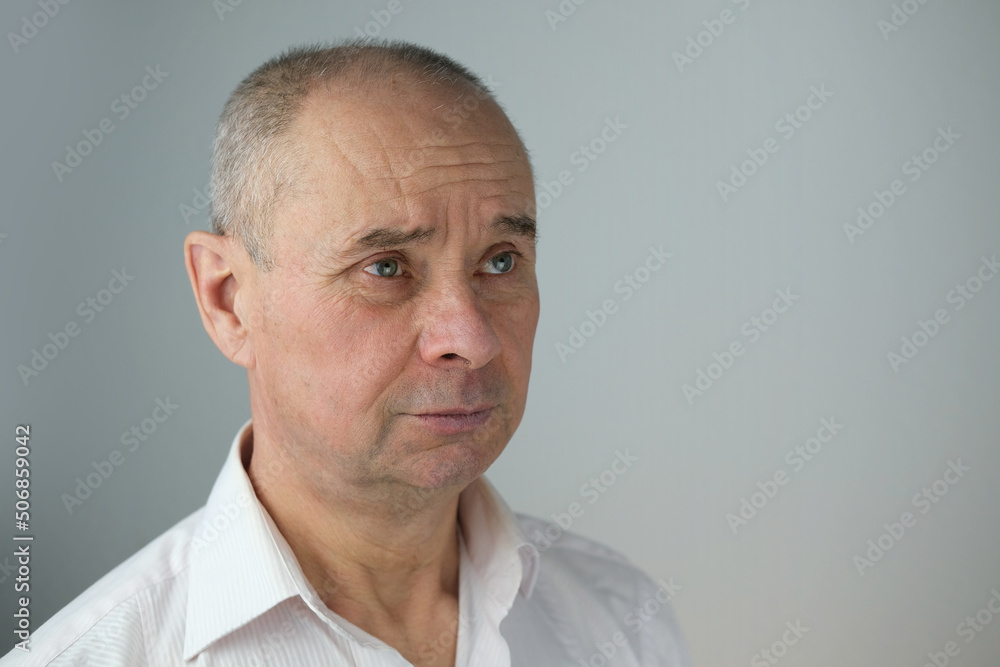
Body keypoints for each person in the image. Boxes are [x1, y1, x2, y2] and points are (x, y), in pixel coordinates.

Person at [2, 40, 691, 666]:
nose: (471, 338)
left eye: (501, 260)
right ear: (228, 300)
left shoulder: (622, 619)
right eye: (386, 267)